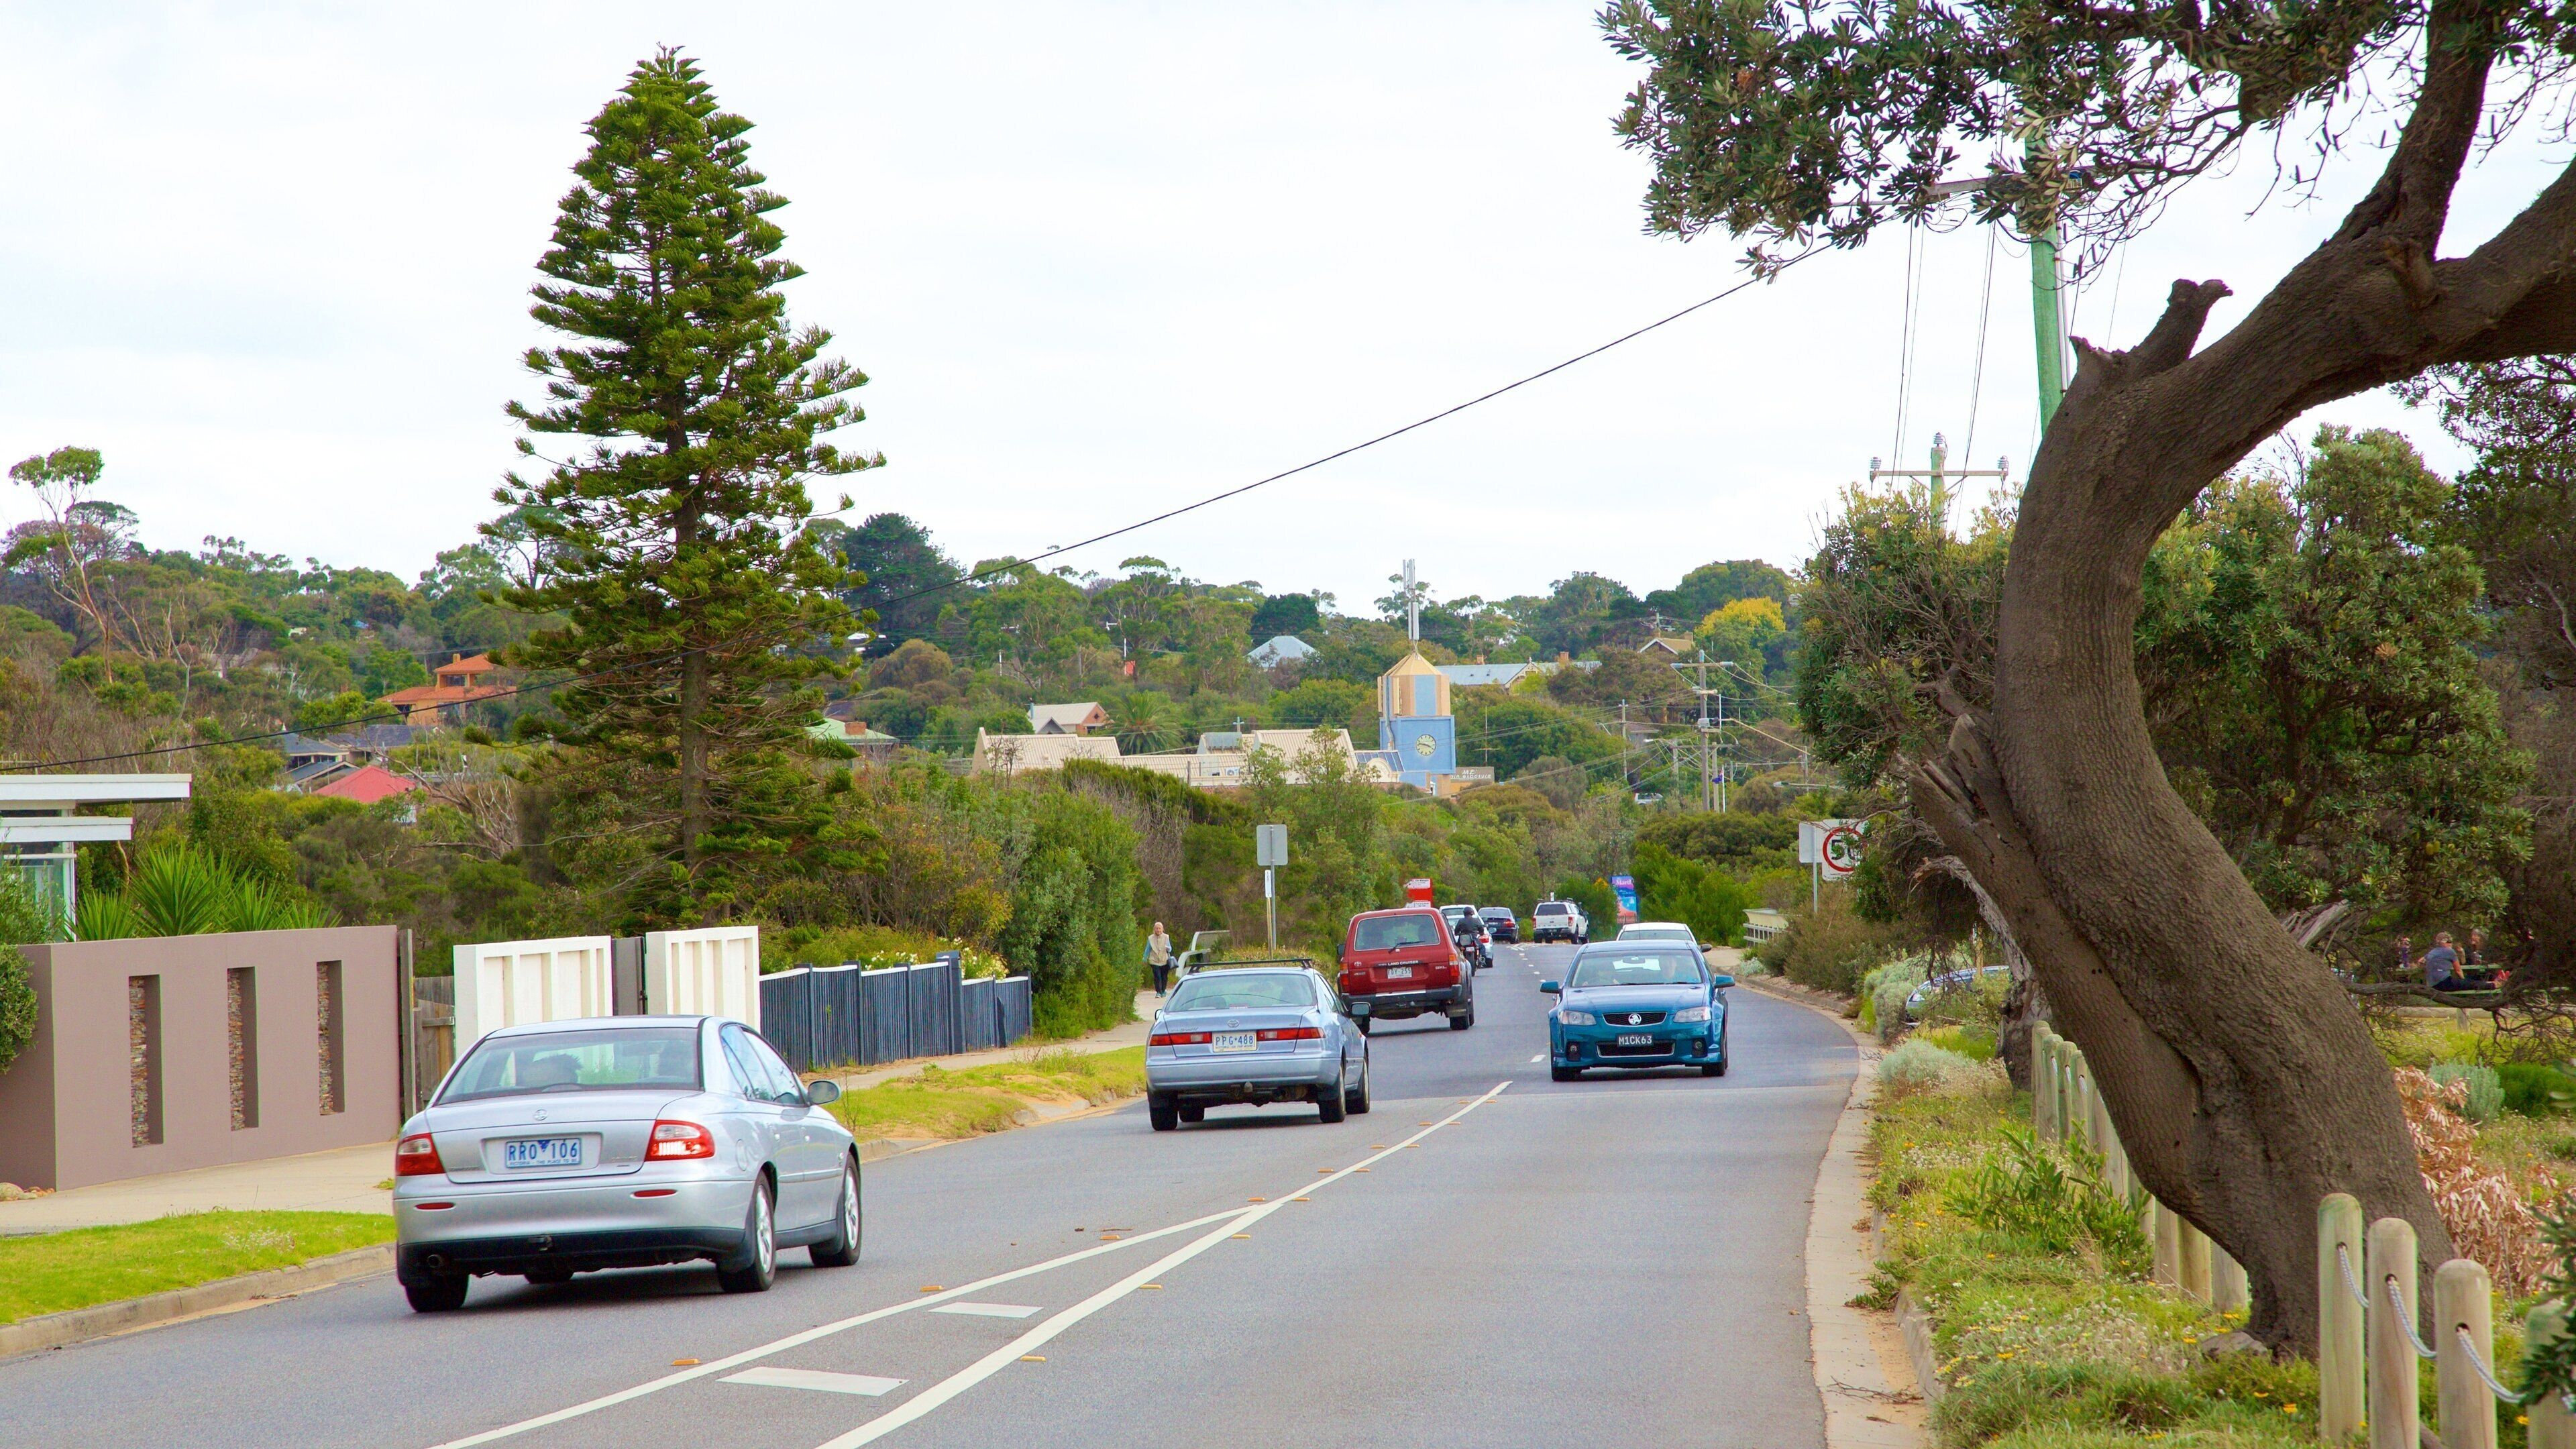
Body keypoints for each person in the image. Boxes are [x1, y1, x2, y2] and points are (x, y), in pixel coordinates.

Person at [1146, 922, 1174, 996]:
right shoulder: (1151, 938)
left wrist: (1168, 948)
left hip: (1164, 960)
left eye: (1160, 929)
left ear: (1162, 929)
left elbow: (1170, 949)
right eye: (1157, 929)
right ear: (1154, 930)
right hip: (1154, 960)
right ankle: (1158, 992)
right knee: (1157, 976)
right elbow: (1148, 949)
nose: (1158, 930)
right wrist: (1144, 958)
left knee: (1164, 977)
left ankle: (1163, 991)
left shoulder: (1166, 937)